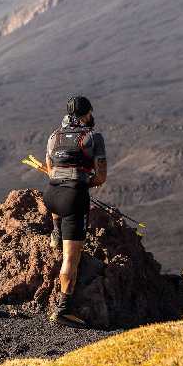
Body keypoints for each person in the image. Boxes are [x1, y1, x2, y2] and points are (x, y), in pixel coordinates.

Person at [43, 96, 107, 327]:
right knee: (71, 259)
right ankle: (63, 309)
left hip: (51, 196)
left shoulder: (53, 136)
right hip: (73, 198)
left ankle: (56, 233)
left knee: (59, 206)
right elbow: (100, 176)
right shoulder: (92, 137)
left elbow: (51, 170)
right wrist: (83, 183)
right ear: (87, 113)